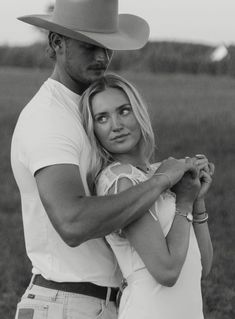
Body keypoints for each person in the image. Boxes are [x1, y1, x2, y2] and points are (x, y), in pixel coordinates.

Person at [11, 1, 204, 319]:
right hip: (66, 303)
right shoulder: (49, 118)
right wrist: (161, 181)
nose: (102, 57)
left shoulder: (84, 110)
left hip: (104, 302)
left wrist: (187, 194)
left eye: (107, 46)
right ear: (57, 43)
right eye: (89, 46)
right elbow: (72, 222)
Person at [80, 73, 214, 319]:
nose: (116, 125)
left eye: (123, 111)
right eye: (102, 118)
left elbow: (202, 268)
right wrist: (183, 202)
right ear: (94, 129)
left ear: (139, 112)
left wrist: (197, 199)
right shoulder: (122, 181)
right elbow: (167, 271)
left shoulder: (156, 174)